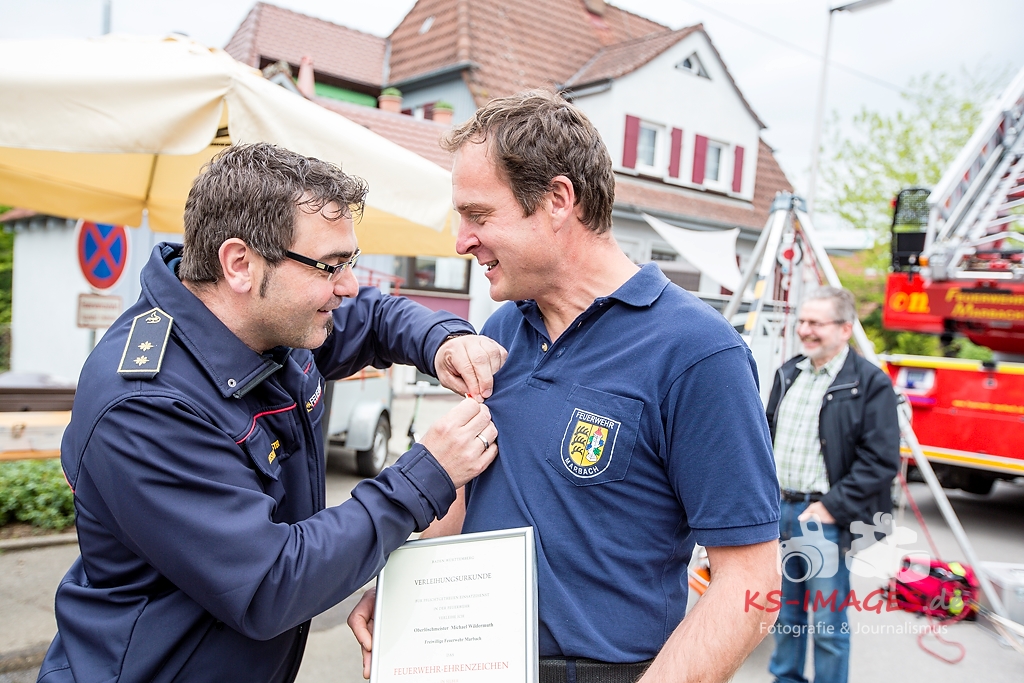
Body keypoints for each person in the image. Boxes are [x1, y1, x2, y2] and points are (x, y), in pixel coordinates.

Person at [349, 90, 781, 683]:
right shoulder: (503, 330)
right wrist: (407, 590)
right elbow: (469, 493)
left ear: (557, 200)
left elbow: (752, 585)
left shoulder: (699, 353)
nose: (461, 240)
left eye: (479, 215)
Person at [38, 143, 507, 683]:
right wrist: (428, 474)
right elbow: (270, 584)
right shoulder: (146, 406)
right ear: (240, 264)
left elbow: (375, 317)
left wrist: (443, 339)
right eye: (331, 266)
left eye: (349, 263)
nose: (348, 285)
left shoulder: (270, 322)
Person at [765, 286, 900, 683]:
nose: (804, 330)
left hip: (823, 519)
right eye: (802, 321)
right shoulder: (788, 373)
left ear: (844, 329)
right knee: (784, 616)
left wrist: (830, 507)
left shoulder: (870, 383)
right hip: (777, 513)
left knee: (827, 624)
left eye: (815, 323)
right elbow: (765, 437)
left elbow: (880, 460)